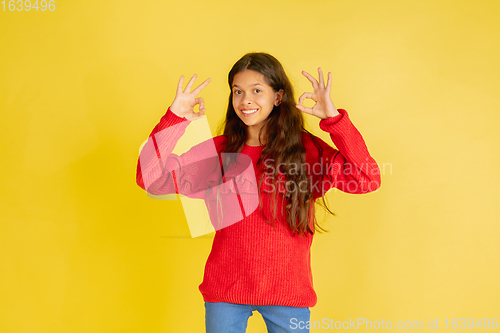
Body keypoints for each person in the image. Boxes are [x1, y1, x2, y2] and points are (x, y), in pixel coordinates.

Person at [136, 52, 381, 333]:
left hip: (287, 294)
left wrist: (335, 120)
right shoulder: (220, 151)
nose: (245, 100)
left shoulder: (306, 151)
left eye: (256, 90)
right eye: (237, 91)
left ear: (278, 97)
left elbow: (367, 179)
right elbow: (150, 178)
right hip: (225, 293)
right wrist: (174, 119)